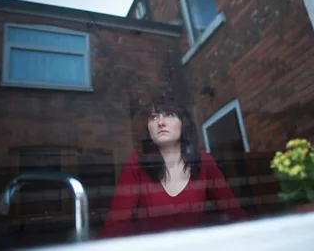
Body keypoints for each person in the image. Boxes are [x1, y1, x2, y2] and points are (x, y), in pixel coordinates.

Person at [100, 94, 246, 238]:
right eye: (154, 117)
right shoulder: (136, 163)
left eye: (169, 115)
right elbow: (113, 230)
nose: (160, 122)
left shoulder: (203, 161)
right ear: (148, 128)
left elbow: (235, 216)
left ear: (183, 124)